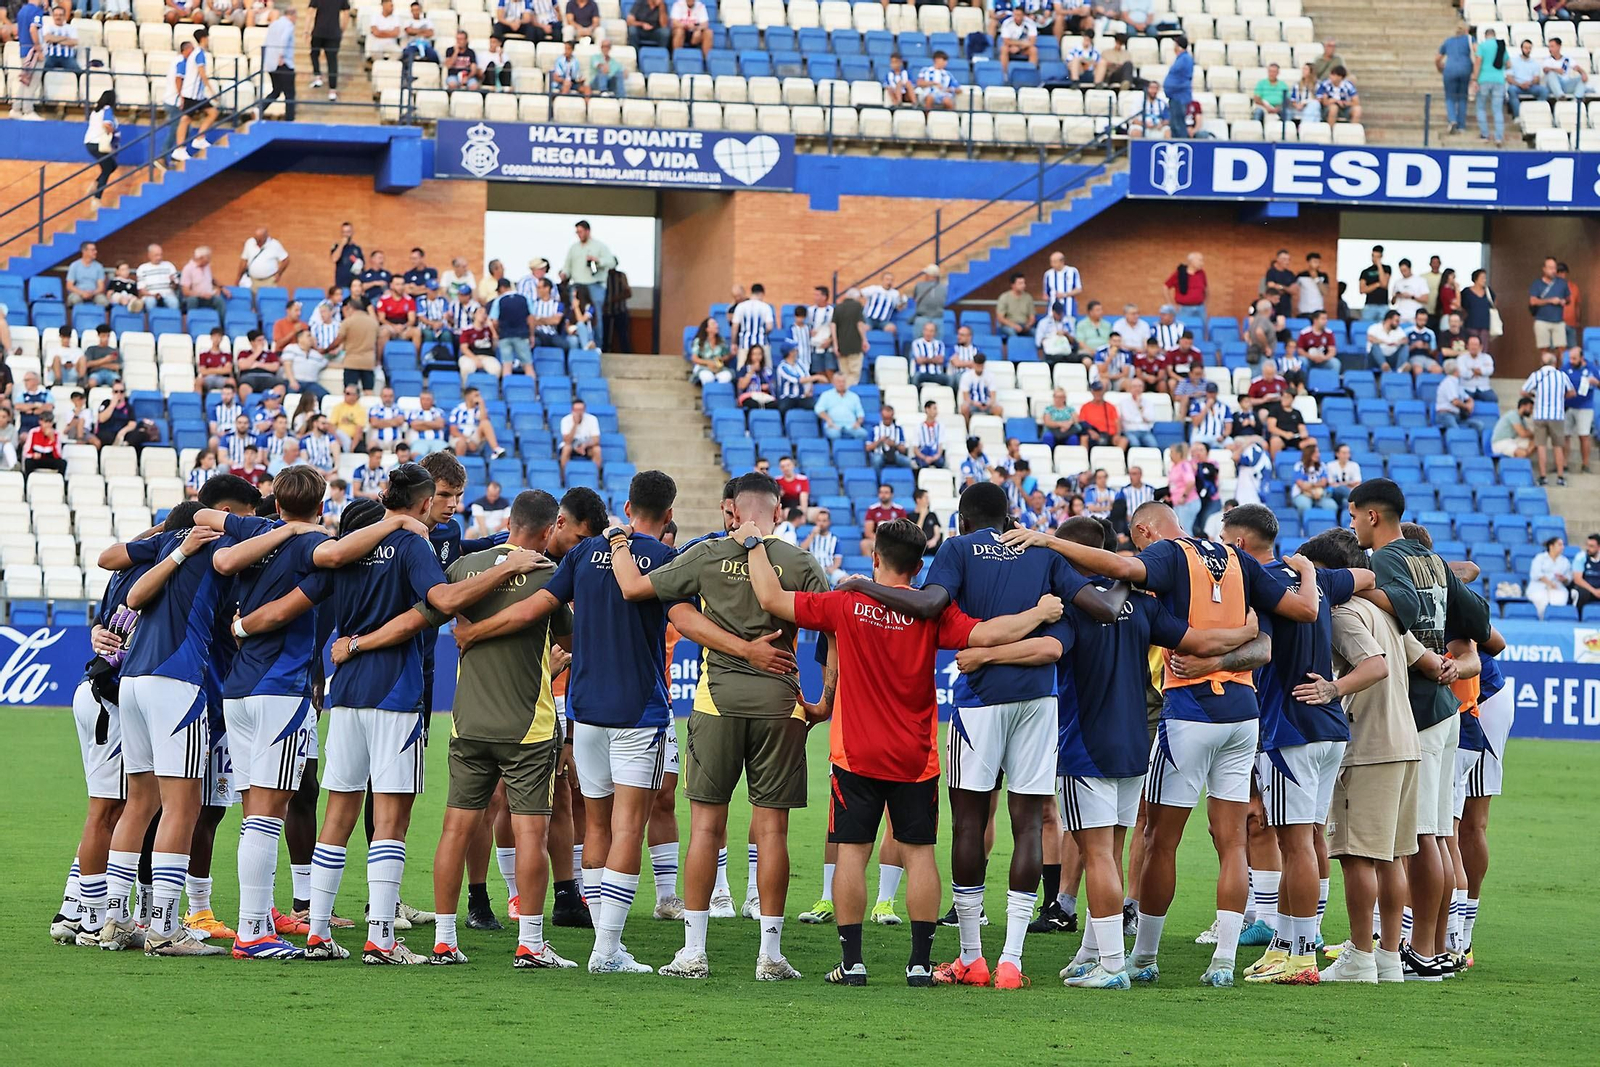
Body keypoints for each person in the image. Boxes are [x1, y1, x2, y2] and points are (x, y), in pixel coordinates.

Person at [1000, 502, 1315, 987]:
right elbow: (1300, 612)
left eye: (1140, 541)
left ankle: (1140, 957)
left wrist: (1047, 540)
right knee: (1231, 842)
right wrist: (1301, 581)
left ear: (1145, 531)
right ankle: (1223, 961)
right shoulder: (1238, 558)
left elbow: (1126, 568)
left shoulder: (1166, 555)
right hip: (1244, 712)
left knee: (1157, 841)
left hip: (1188, 713)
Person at [750, 515, 1063, 987]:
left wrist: (753, 542)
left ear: (875, 559)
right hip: (915, 756)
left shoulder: (847, 603)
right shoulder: (930, 613)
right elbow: (991, 634)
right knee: (919, 855)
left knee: (852, 853)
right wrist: (1040, 614)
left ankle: (853, 963)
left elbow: (771, 597)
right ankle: (918, 963)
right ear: (918, 568)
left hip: (855, 753)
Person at [841, 483, 1124, 989]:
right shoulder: (1041, 552)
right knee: (1030, 823)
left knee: (970, 822)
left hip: (980, 703)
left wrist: (862, 586)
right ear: (1010, 515)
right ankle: (1011, 961)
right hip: (1039, 700)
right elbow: (1103, 608)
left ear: (965, 521)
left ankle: (971, 955)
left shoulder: (958, 547)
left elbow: (928, 606)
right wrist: (1125, 576)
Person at [331, 491, 575, 966]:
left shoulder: (465, 568)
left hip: (467, 723)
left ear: (509, 522)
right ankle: (530, 943)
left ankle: (444, 939)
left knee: (455, 829)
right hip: (528, 726)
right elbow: (569, 642)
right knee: (530, 836)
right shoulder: (549, 576)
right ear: (549, 530)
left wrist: (357, 644)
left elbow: (416, 619)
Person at [608, 472, 830, 980]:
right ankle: (770, 955)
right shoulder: (799, 562)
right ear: (778, 512)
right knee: (773, 829)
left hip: (716, 703)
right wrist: (826, 699)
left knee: (706, 827)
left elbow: (636, 588)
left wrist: (618, 539)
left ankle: (694, 951)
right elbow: (832, 630)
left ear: (732, 509)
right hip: (783, 704)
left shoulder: (705, 554)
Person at [1049, 516, 1262, 988]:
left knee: (1128, 848)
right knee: (1227, 843)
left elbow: (1044, 648)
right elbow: (1201, 640)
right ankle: (1220, 960)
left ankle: (1126, 960)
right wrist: (1246, 635)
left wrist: (981, 650)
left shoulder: (1066, 607)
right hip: (1178, 730)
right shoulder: (1145, 605)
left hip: (1107, 737)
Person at [91, 474, 264, 955]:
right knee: (183, 804)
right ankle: (167, 928)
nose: (245, 523)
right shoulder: (220, 549)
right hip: (177, 680)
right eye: (242, 514)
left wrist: (176, 550)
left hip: (134, 681)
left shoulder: (168, 543)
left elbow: (127, 589)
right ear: (224, 511)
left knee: (140, 801)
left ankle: (118, 920)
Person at [1349, 479, 1492, 980]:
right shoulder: (1429, 558)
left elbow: (1405, 609)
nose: (1351, 525)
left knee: (1423, 836)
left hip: (1416, 707)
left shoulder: (1386, 559)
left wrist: (1361, 588)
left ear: (1371, 516)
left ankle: (1425, 951)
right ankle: (1427, 949)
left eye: (1352, 516)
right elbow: (1478, 615)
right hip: (1443, 709)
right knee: (1433, 833)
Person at [1522, 350, 1574, 485]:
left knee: (1541, 446)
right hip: (1557, 415)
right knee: (1558, 446)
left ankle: (1543, 476)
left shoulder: (1537, 375)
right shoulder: (1562, 376)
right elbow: (1572, 392)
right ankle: (1560, 477)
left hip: (1540, 414)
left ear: (1542, 363)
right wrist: (1561, 398)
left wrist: (1534, 396)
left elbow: (1523, 391)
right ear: (1555, 362)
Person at [562, 220, 616, 345]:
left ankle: (597, 345)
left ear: (587, 231)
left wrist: (597, 260)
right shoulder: (574, 248)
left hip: (595, 284)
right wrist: (564, 274)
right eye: (577, 232)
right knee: (574, 312)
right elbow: (567, 266)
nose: (579, 234)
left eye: (581, 232)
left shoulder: (599, 246)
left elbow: (611, 262)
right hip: (577, 285)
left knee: (595, 314)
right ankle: (577, 343)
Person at [1472, 27, 1509, 145]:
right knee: (1497, 110)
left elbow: (1478, 62)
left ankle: (1485, 134)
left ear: (1485, 35)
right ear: (1494, 35)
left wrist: (1474, 79)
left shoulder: (1482, 46)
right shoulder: (1501, 46)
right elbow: (1508, 64)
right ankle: (1498, 137)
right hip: (1499, 80)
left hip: (1484, 79)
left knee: (1481, 107)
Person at [1528, 256, 1571, 355]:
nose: (1553, 270)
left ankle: (1561, 370)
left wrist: (1564, 301)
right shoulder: (1537, 284)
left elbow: (1568, 299)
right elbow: (1533, 301)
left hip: (1558, 321)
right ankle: (1547, 369)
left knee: (1562, 348)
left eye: (1554, 268)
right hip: (1542, 320)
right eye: (1550, 268)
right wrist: (1550, 300)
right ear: (1544, 269)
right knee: (1544, 350)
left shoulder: (1562, 283)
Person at [83, 93, 119, 205]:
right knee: (108, 168)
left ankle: (95, 184)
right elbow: (107, 125)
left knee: (112, 166)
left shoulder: (95, 111)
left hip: (89, 143)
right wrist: (113, 133)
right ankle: (96, 198)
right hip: (98, 143)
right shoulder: (107, 109)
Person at [1437, 23, 1473, 133]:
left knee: (1450, 97)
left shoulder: (1448, 41)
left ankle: (1452, 119)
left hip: (1450, 69)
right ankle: (1461, 125)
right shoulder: (1469, 40)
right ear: (1466, 30)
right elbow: (1476, 52)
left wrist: (1439, 68)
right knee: (1462, 97)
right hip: (1465, 68)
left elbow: (1437, 58)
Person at [1527, 535, 1572, 619]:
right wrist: (1549, 583)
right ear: (1551, 546)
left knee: (1559, 602)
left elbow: (1568, 579)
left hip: (1558, 588)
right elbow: (1536, 573)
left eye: (1563, 545)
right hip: (1539, 587)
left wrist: (1564, 579)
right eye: (1559, 545)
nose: (1562, 547)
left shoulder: (1565, 561)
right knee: (1541, 601)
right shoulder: (1540, 558)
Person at [559, 397, 604, 479]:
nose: (579, 412)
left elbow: (596, 439)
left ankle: (595, 477)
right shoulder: (565, 420)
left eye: (581, 409)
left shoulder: (592, 419)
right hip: (571, 446)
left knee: (597, 450)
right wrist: (575, 424)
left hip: (586, 446)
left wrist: (584, 445)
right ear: (572, 410)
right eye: (577, 410)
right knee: (566, 449)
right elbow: (567, 441)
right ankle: (564, 477)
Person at [1164, 35, 1193, 137]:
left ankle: (1181, 143)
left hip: (1179, 97)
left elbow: (1184, 77)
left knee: (1178, 125)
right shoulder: (1181, 58)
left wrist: (1172, 87)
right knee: (1174, 125)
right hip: (1175, 96)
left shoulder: (1185, 59)